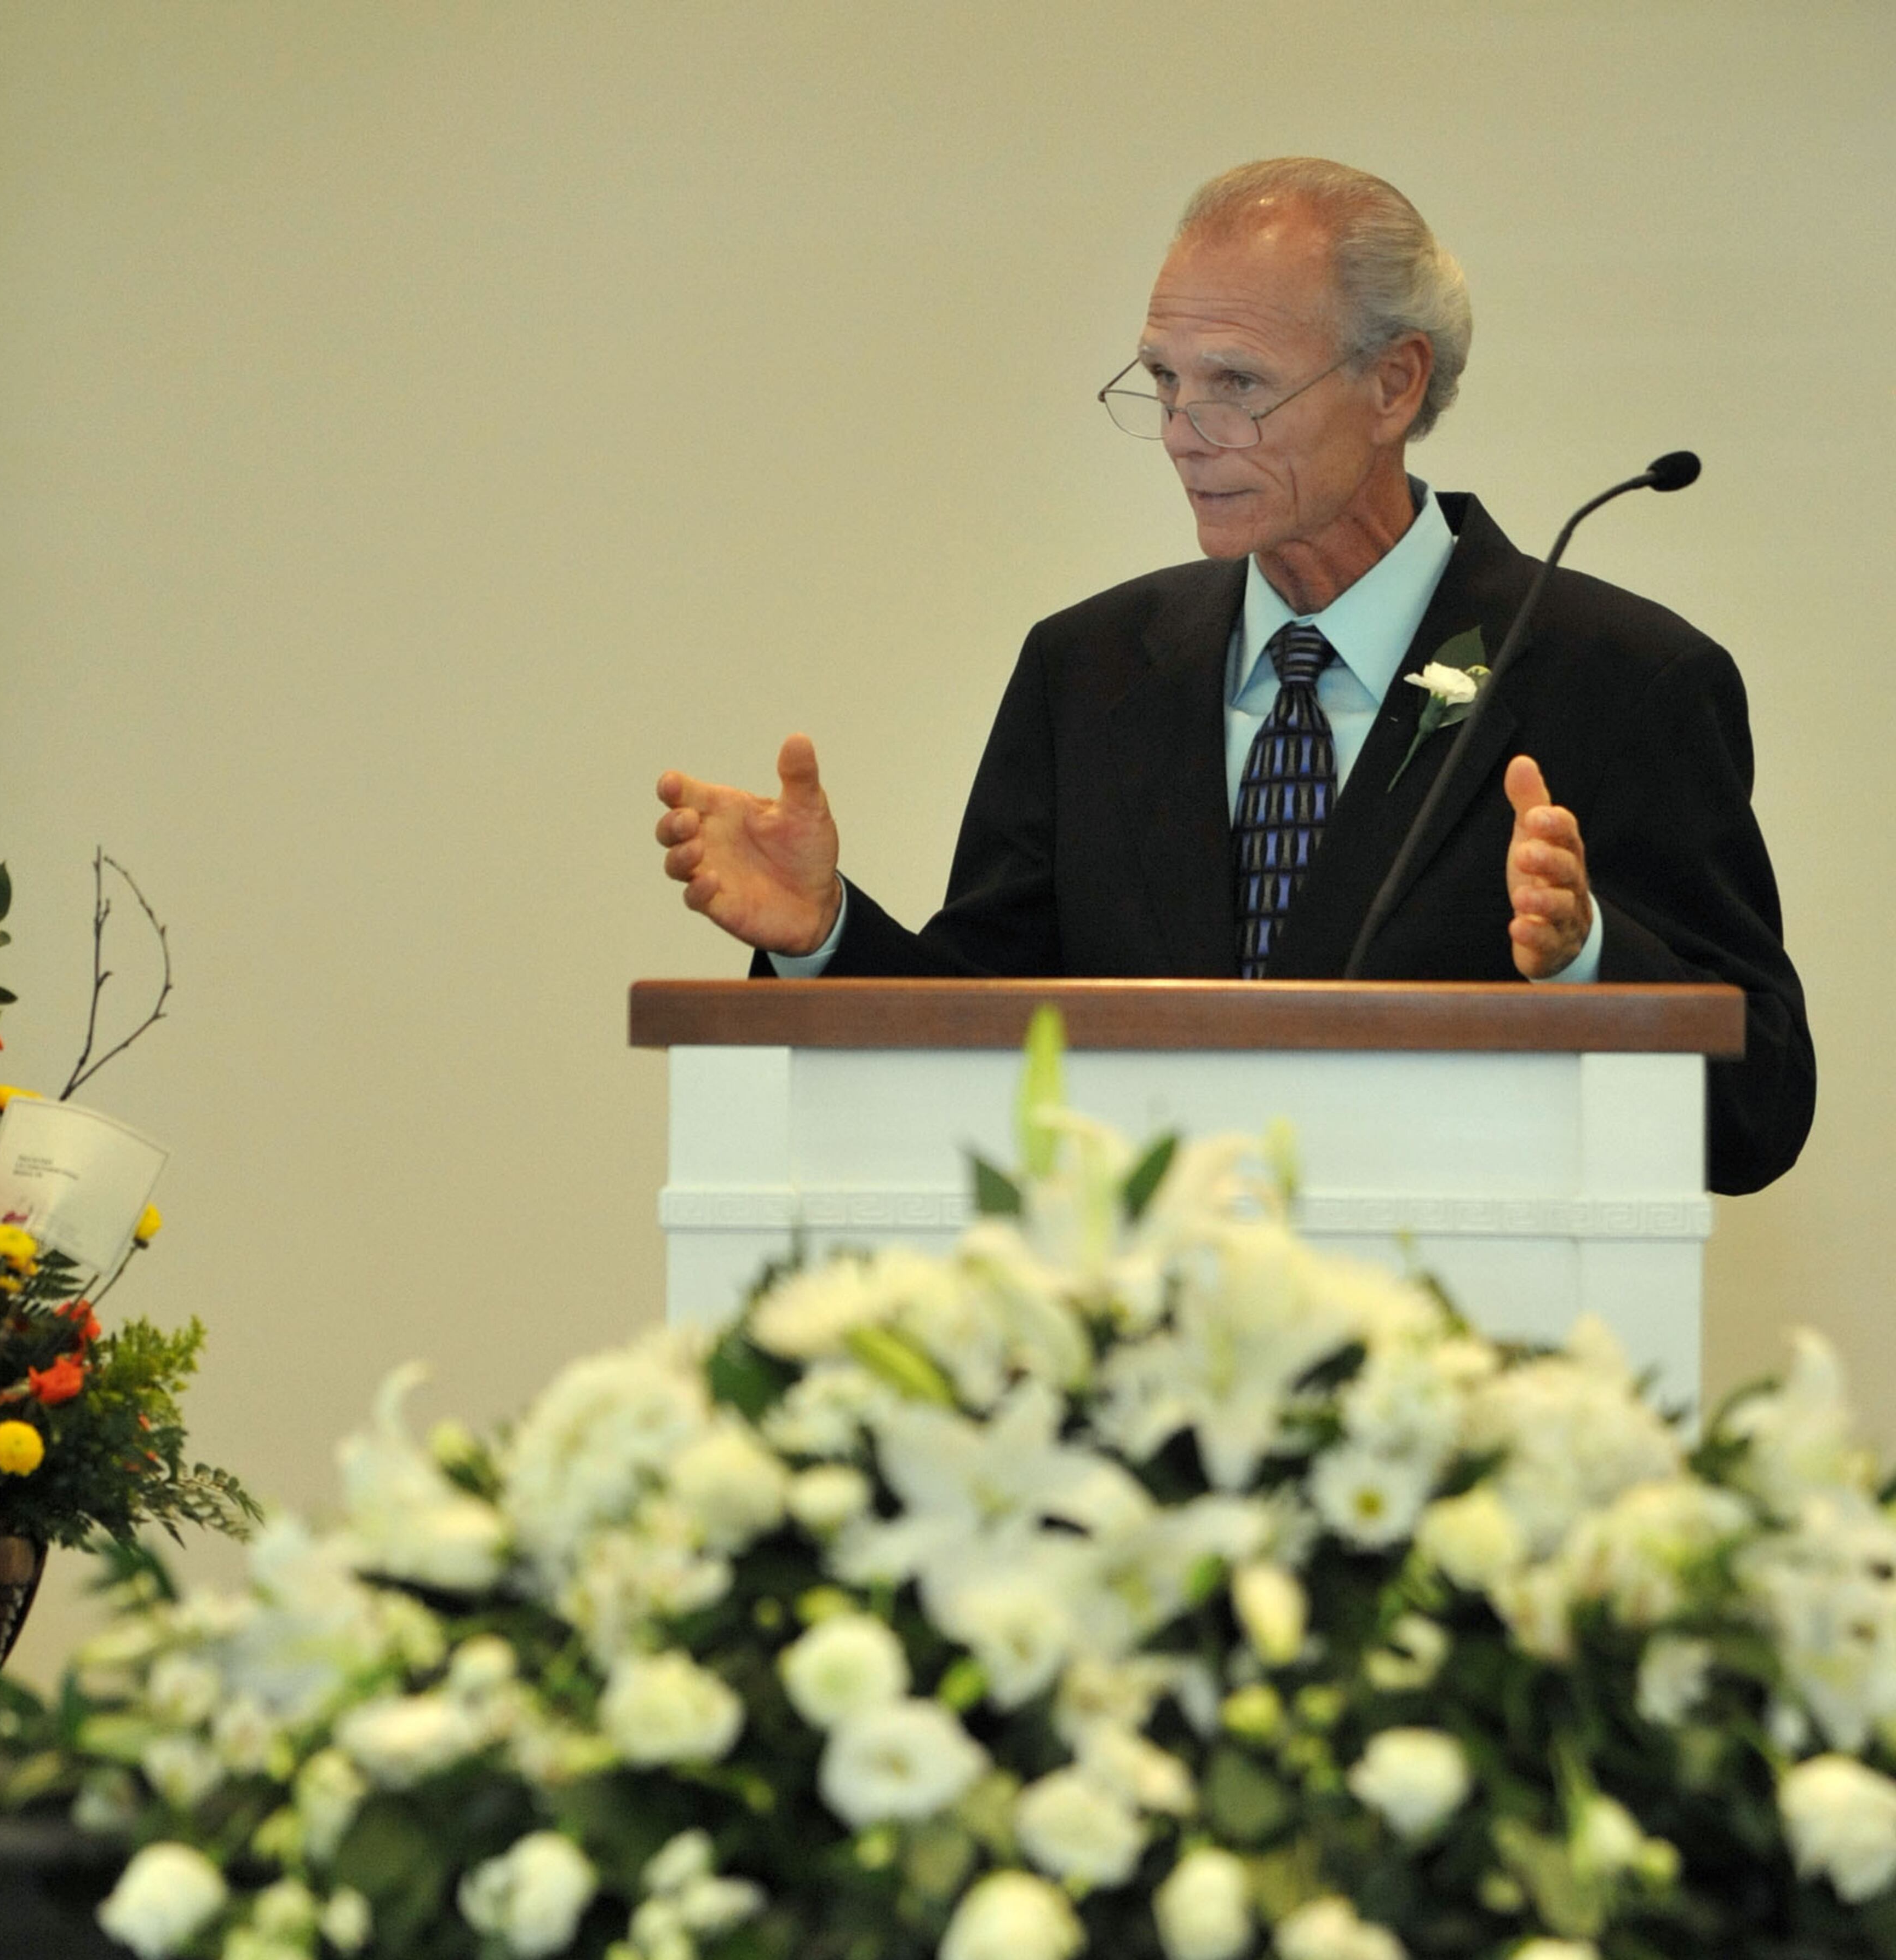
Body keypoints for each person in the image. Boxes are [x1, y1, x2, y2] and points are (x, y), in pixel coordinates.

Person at [655, 159, 1813, 1195]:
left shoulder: (1617, 681)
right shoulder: (1092, 670)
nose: (1184, 431)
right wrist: (823, 933)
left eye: (1238, 384)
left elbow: (1758, 1112)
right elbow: (985, 1037)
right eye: (1163, 380)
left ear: (1395, 385)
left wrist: (1592, 961)